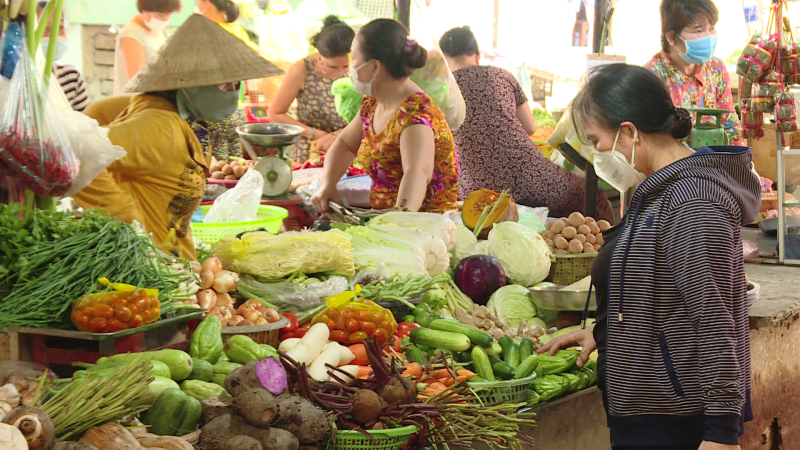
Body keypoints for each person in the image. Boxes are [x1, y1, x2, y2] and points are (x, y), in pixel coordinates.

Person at [539, 64, 759, 450]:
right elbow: (659, 289)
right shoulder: (657, 191)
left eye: (596, 140)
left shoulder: (693, 202)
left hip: (678, 421)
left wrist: (723, 433)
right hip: (650, 411)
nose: (598, 154)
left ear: (629, 132)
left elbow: (714, 314)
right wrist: (605, 333)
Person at [74, 14, 283, 259]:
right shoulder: (159, 127)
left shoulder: (169, 113)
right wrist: (122, 214)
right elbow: (78, 151)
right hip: (151, 268)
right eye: (224, 85)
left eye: (236, 84)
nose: (232, 93)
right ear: (189, 84)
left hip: (175, 260)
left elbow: (99, 113)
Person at [439, 26, 613, 221]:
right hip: (531, 177)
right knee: (592, 196)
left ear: (444, 60)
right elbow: (531, 127)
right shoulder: (501, 75)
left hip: (472, 190)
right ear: (477, 56)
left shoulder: (441, 89)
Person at [311, 19, 458, 214]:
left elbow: (417, 173)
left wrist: (399, 219)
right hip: (383, 219)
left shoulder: (415, 115)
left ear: (374, 67)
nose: (349, 67)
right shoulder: (373, 103)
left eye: (354, 59)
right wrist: (327, 185)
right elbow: (345, 144)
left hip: (422, 229)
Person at [644, 0, 744, 146]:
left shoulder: (715, 68)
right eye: (698, 30)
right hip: (675, 165)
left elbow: (730, 125)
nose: (708, 36)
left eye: (711, 28)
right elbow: (654, 142)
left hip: (715, 163)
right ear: (672, 37)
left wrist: (741, 161)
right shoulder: (652, 77)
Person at [268, 15, 354, 162]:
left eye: (345, 67)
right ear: (320, 57)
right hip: (310, 150)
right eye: (333, 67)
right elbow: (275, 113)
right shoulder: (302, 69)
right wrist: (316, 134)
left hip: (349, 146)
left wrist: (337, 136)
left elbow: (369, 115)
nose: (341, 73)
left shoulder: (360, 67)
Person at [114, 0, 181, 95]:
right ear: (144, 10)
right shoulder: (132, 36)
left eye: (169, 14)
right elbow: (138, 81)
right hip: (137, 104)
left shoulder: (158, 31)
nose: (166, 19)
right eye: (160, 15)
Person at [36, 1, 89, 112]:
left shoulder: (71, 77)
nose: (53, 36)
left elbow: (85, 123)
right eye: (45, 29)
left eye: (59, 28)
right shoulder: (18, 81)